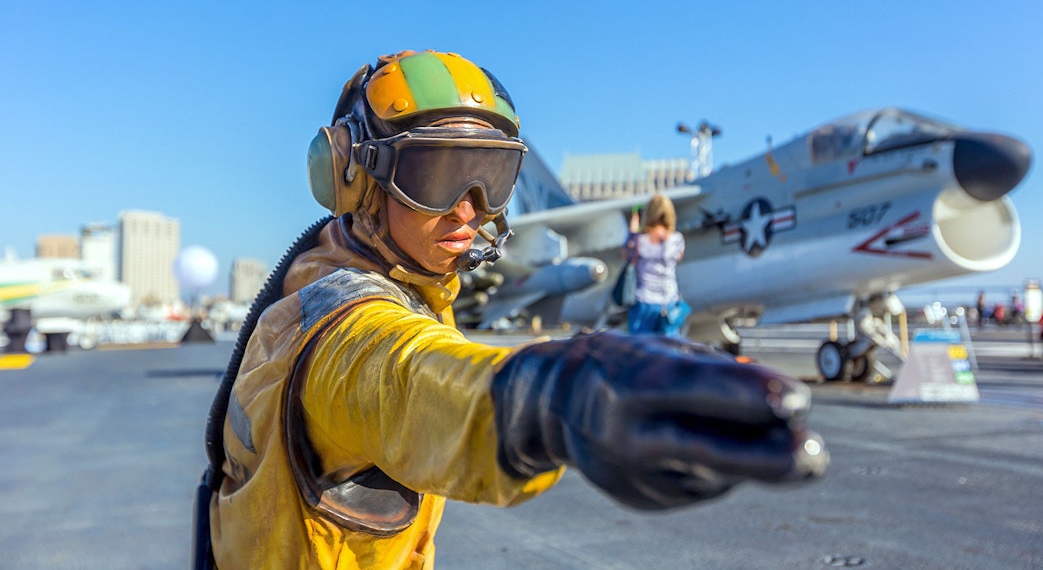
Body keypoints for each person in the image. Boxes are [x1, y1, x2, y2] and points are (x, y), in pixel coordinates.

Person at [195, 50, 828, 569]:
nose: (469, 210)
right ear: (354, 178)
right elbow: (417, 380)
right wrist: (554, 400)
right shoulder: (345, 331)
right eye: (438, 175)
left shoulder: (350, 275)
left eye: (489, 177)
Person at [624, 194, 689, 335]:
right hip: (669, 301)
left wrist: (632, 232)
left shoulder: (639, 240)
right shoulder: (677, 239)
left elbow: (627, 256)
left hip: (644, 300)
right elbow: (678, 257)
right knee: (668, 351)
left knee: (642, 350)